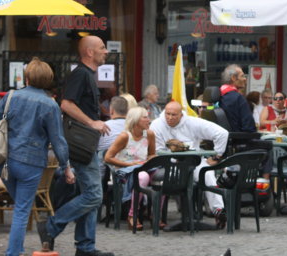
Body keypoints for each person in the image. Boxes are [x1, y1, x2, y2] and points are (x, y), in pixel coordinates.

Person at [0, 58, 73, 256]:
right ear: (48, 80)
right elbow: (58, 141)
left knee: (21, 205)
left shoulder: (10, 97)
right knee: (22, 210)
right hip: (31, 163)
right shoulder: (50, 105)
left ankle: (16, 249)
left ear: (26, 78)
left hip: (4, 160)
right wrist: (66, 167)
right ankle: (13, 252)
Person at [38, 36, 114, 256]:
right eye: (102, 48)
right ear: (89, 52)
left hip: (86, 143)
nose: (106, 51)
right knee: (94, 195)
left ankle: (85, 247)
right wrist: (92, 122)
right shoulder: (81, 74)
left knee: (88, 194)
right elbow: (66, 104)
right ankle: (51, 226)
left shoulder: (86, 74)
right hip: (81, 143)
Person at [150, 100, 229, 228]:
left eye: (174, 115)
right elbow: (157, 151)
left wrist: (217, 156)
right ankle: (168, 216)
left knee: (208, 174)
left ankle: (218, 210)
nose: (170, 117)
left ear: (181, 114)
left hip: (194, 162)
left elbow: (222, 133)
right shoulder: (156, 125)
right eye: (167, 114)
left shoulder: (193, 122)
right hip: (169, 165)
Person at [104, 107, 156, 231]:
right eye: (145, 117)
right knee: (142, 176)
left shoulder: (149, 134)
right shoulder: (124, 136)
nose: (149, 120)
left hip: (143, 167)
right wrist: (130, 165)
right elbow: (108, 157)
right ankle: (133, 215)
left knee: (162, 176)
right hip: (124, 171)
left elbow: (152, 154)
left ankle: (156, 214)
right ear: (136, 120)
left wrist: (148, 160)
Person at [219, 64, 257, 132]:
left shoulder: (218, 96)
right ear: (233, 78)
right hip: (237, 138)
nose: (245, 79)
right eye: (242, 76)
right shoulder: (239, 98)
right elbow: (249, 128)